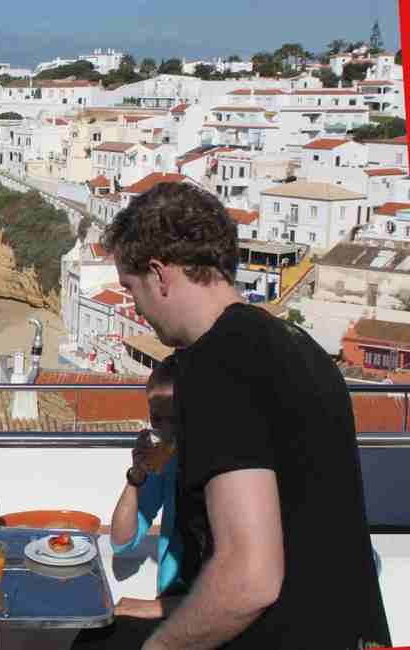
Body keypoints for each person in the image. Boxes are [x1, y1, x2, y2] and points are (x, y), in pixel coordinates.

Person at [86, 183, 389, 649]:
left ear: (159, 274)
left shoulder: (215, 362)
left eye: (131, 289)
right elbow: (297, 535)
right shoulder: (298, 347)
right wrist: (169, 609)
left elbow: (250, 580)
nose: (136, 308)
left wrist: (158, 646)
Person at [110, 355, 185, 621]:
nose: (164, 429)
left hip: (195, 613)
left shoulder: (226, 478)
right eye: (156, 419)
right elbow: (121, 542)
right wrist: (137, 475)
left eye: (173, 419)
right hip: (171, 603)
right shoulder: (168, 461)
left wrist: (155, 608)